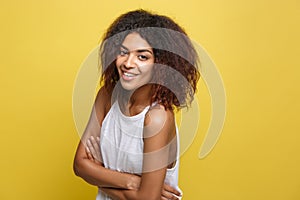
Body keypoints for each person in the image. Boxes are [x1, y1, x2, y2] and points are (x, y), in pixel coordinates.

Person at [73, 9, 200, 200]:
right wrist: (133, 182)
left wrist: (99, 173)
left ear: (161, 64)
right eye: (123, 52)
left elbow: (147, 199)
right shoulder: (107, 96)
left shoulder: (157, 117)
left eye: (142, 56)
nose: (128, 63)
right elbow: (80, 165)